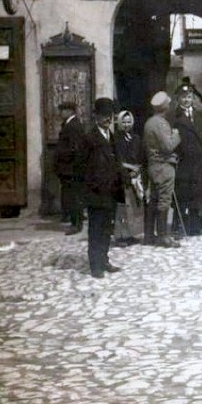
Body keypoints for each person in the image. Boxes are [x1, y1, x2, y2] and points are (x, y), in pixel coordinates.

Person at [82, 98, 125, 279]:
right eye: (104, 116)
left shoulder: (111, 136)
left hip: (111, 192)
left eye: (110, 116)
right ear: (96, 117)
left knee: (108, 227)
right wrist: (91, 187)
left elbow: (116, 162)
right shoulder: (89, 138)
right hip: (96, 193)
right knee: (96, 229)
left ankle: (104, 259)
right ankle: (95, 265)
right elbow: (82, 167)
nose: (108, 119)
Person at [143, 91, 182, 248]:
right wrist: (176, 135)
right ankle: (163, 236)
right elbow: (168, 146)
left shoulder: (150, 122)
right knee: (164, 200)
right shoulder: (160, 123)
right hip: (163, 166)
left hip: (153, 166)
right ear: (165, 107)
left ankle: (149, 235)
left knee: (154, 199)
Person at [173, 83, 202, 236]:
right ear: (178, 99)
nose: (186, 100)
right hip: (184, 162)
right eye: (183, 97)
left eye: (189, 97)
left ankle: (195, 226)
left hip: (199, 161)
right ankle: (180, 225)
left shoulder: (200, 115)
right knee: (183, 195)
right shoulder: (174, 116)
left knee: (197, 194)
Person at [113, 110, 143, 246]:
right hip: (122, 176)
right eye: (123, 122)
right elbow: (117, 159)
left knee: (133, 207)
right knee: (122, 208)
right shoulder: (116, 139)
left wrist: (138, 170)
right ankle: (120, 236)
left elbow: (140, 155)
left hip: (135, 176)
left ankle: (131, 234)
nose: (126, 124)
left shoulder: (136, 138)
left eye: (128, 121)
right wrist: (127, 172)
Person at [55, 101, 85, 235]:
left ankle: (76, 224)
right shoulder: (69, 125)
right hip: (68, 168)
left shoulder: (73, 126)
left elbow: (75, 149)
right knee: (71, 195)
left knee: (74, 196)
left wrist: (66, 160)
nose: (60, 113)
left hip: (72, 168)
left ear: (69, 111)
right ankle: (74, 220)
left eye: (62, 110)